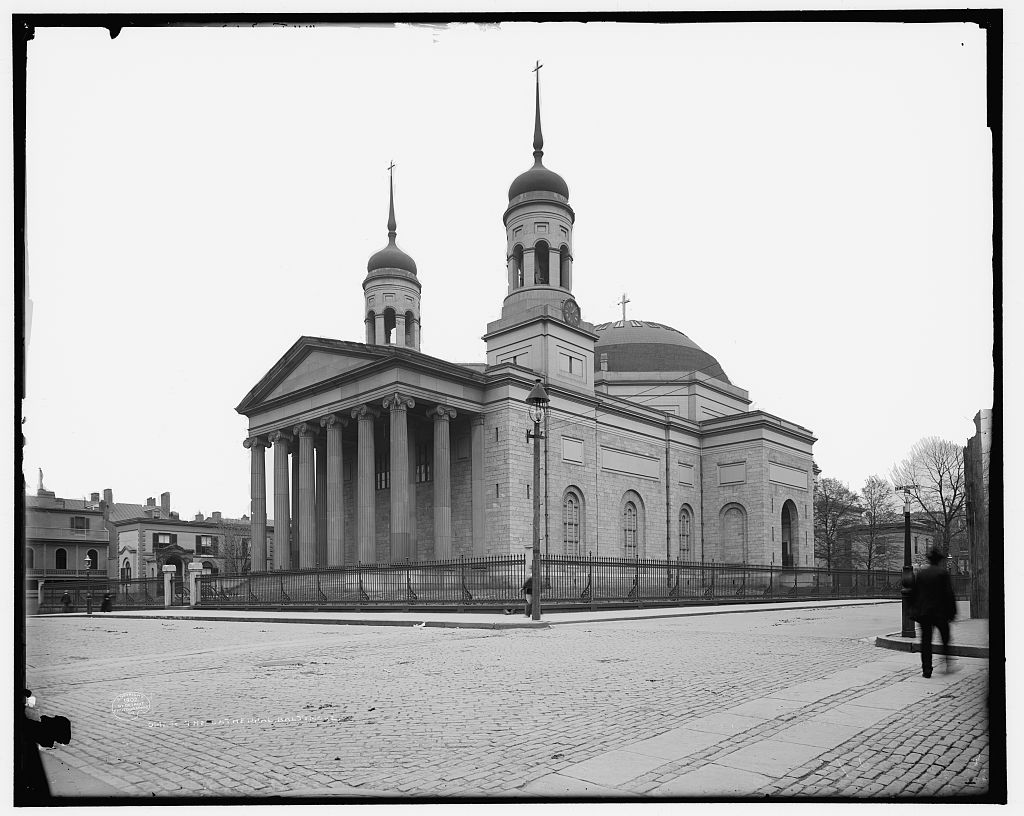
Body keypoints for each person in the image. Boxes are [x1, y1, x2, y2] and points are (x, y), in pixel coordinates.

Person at [908, 546, 958, 678]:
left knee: (926, 642)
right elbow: (949, 594)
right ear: (939, 560)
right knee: (945, 639)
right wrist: (952, 612)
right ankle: (947, 664)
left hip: (924, 613)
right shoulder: (942, 573)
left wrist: (914, 609)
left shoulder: (921, 573)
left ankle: (926, 670)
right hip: (940, 613)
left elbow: (914, 593)